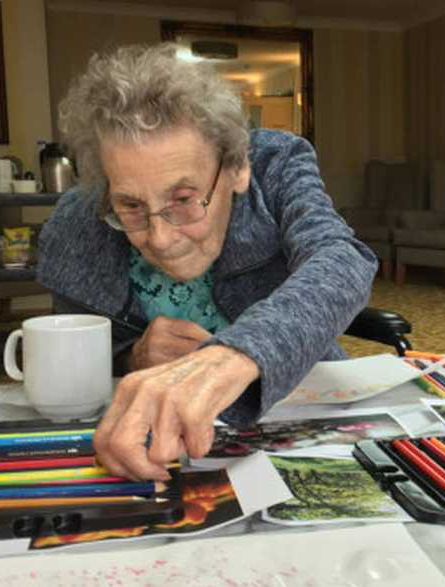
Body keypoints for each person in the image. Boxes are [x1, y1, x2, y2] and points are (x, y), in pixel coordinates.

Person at [37, 43, 377, 481]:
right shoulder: (79, 223)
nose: (159, 238)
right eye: (131, 207)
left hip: (306, 414)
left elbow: (341, 260)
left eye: (183, 200)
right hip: (161, 455)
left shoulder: (276, 165)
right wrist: (132, 358)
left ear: (236, 169)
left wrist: (238, 351)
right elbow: (76, 365)